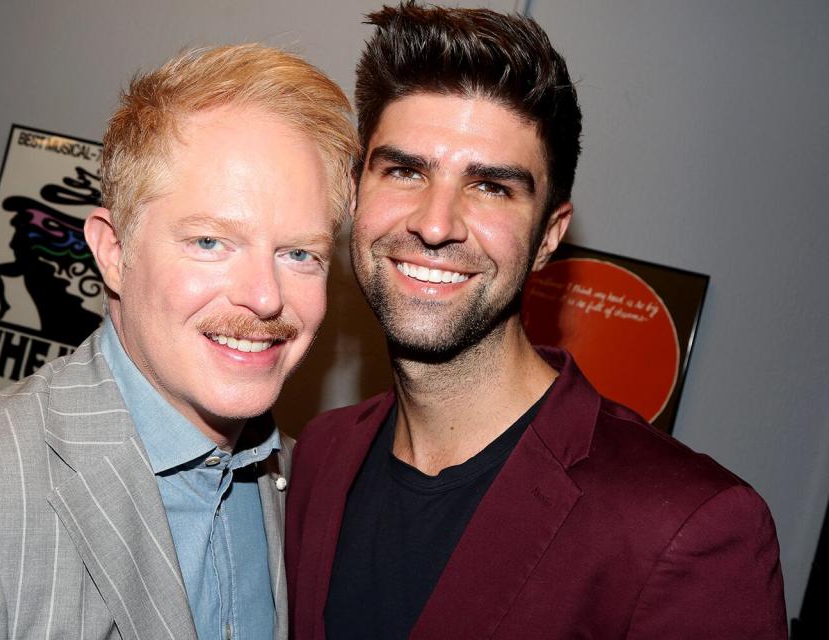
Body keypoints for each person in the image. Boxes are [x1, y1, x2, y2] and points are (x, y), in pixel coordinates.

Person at [285, 4, 788, 638]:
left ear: (549, 236)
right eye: (406, 171)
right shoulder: (320, 456)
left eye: (492, 186)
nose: (435, 224)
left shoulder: (688, 527)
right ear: (357, 194)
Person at [0, 44, 356, 640]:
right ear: (114, 253)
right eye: (209, 242)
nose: (263, 297)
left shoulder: (305, 484)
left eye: (299, 254)